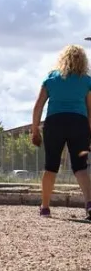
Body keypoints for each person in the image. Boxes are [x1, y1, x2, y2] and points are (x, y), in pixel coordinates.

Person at [30, 44, 91, 220]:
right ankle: (89, 204)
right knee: (80, 167)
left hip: (55, 123)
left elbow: (38, 107)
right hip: (78, 123)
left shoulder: (51, 78)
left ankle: (45, 208)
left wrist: (34, 131)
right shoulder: (87, 80)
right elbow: (90, 109)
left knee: (51, 166)